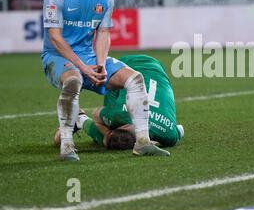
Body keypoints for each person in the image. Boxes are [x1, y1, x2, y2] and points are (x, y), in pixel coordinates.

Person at [42, 0, 170, 161]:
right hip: (57, 56)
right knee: (73, 82)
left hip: (89, 57)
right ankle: (67, 146)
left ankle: (143, 142)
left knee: (135, 79)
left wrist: (100, 63)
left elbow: (103, 33)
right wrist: (83, 68)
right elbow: (55, 38)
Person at [53, 54, 185, 150]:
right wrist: (107, 136)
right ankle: (80, 119)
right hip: (133, 67)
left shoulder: (169, 136)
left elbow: (180, 129)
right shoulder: (116, 115)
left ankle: (81, 120)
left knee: (114, 140)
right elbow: (96, 115)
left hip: (154, 68)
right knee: (111, 137)